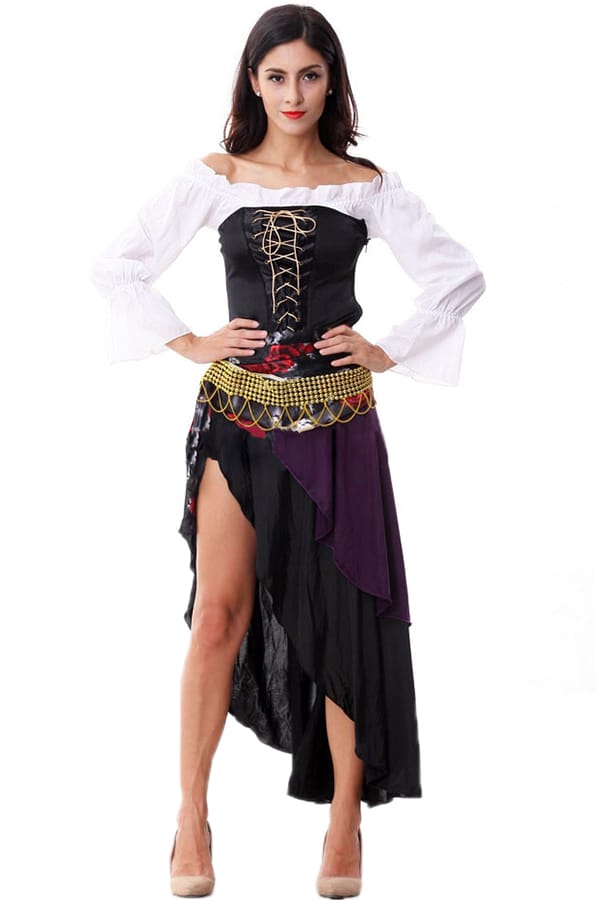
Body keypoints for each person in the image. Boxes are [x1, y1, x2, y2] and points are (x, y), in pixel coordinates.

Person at [89, 4, 486, 897]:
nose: (294, 94)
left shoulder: (366, 186)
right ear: (253, 83)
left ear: (331, 81)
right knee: (217, 614)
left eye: (310, 75)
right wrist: (189, 341)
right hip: (236, 419)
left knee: (346, 621)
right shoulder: (217, 177)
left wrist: (387, 348)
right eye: (277, 77)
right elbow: (116, 264)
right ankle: (192, 816)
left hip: (339, 424)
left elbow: (459, 276)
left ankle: (344, 825)